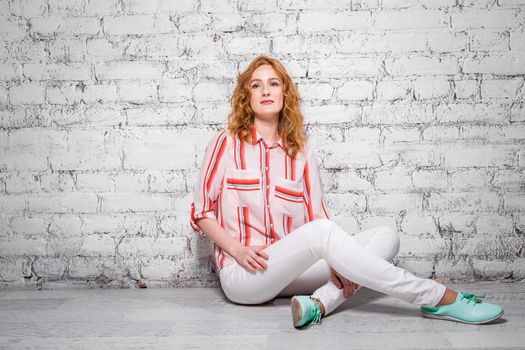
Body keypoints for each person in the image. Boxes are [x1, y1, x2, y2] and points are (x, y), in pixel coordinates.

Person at [190, 55, 504, 328]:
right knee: (325, 237)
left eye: (273, 83)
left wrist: (342, 262)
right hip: (246, 274)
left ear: (285, 93)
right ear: (247, 96)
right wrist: (238, 250)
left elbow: (317, 216)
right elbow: (202, 211)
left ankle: (320, 303)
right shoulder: (226, 143)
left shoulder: (299, 152)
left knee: (386, 237)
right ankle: (437, 296)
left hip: (291, 272)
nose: (265, 91)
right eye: (256, 85)